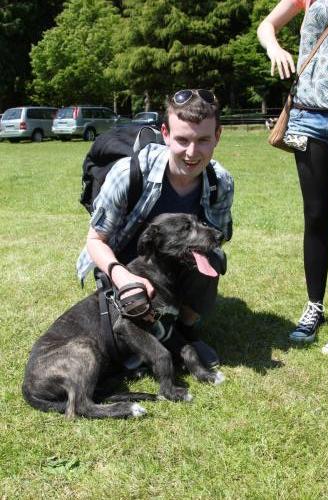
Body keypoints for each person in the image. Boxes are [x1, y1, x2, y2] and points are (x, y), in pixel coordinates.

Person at [77, 89, 234, 368]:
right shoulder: (129, 173)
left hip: (173, 262)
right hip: (123, 263)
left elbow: (216, 237)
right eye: (182, 139)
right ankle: (140, 328)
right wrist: (122, 277)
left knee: (212, 260)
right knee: (129, 314)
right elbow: (95, 241)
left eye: (203, 140)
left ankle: (183, 331)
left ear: (218, 136)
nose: (191, 153)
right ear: (165, 133)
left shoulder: (219, 182)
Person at [257, 0, 328, 352]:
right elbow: (266, 26)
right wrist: (275, 47)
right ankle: (314, 307)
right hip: (310, 115)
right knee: (316, 216)